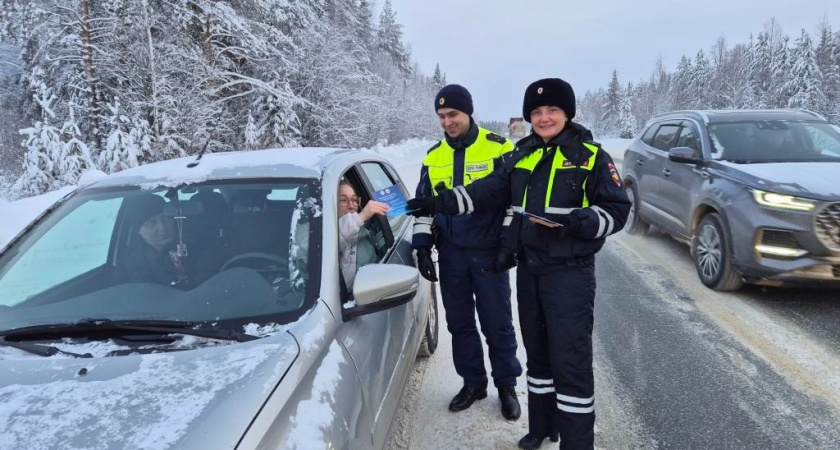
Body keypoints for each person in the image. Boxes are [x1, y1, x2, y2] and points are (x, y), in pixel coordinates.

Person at [408, 78, 631, 450]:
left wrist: (586, 221)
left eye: (552, 110)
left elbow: (618, 210)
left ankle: (577, 444)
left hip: (569, 273)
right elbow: (487, 191)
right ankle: (542, 427)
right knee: (538, 353)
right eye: (537, 112)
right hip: (530, 269)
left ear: (567, 114)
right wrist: (438, 204)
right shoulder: (521, 154)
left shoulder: (590, 155)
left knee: (570, 360)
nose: (544, 118)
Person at [412, 84, 522, 420]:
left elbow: (513, 202)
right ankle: (473, 382)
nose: (447, 122)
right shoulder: (433, 156)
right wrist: (421, 245)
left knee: (497, 323)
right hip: (452, 254)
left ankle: (506, 385)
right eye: (442, 116)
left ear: (468, 112)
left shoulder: (498, 148)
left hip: (489, 252)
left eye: (453, 114)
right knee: (459, 324)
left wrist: (507, 243)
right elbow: (424, 207)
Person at [112, 194, 192, 287]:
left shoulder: (196, 247)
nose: (162, 228)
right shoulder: (128, 261)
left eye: (165, 218)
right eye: (151, 223)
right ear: (139, 230)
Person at [337, 181, 389, 290]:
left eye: (354, 200)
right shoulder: (311, 232)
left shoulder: (367, 231)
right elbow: (331, 241)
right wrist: (362, 216)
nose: (351, 206)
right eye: (343, 200)